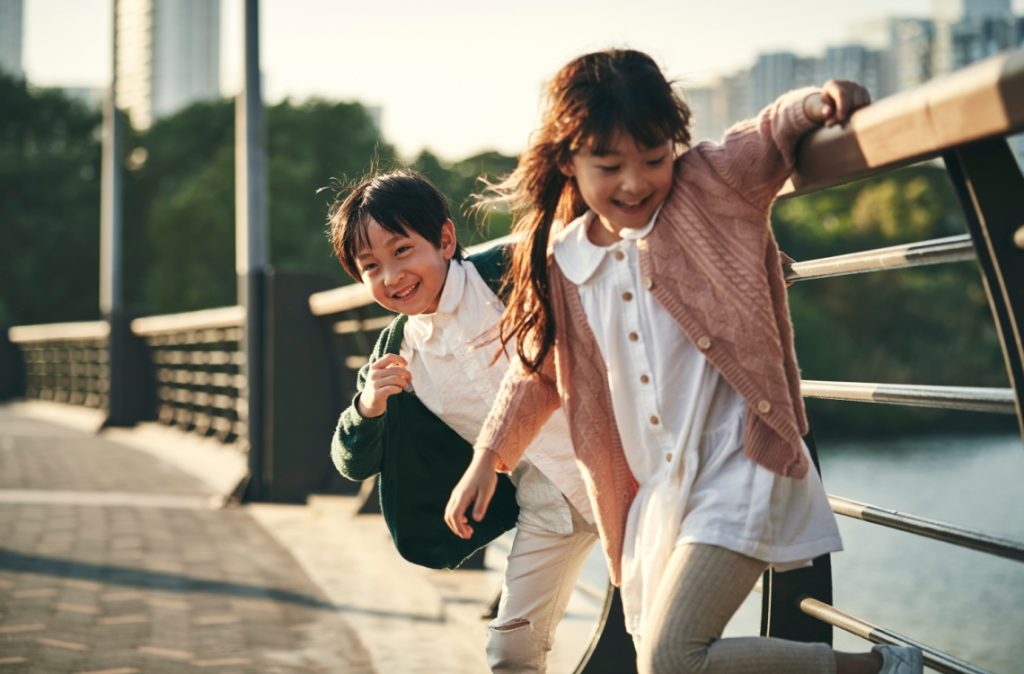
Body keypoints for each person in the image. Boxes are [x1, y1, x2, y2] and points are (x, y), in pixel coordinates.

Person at [444, 49, 923, 674]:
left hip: (741, 464)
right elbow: (539, 371)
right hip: (661, 491)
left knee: (670, 659)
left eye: (654, 158)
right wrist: (488, 459)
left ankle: (879, 669)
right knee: (663, 656)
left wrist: (814, 105)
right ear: (567, 161)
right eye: (609, 165)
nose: (636, 182)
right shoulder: (566, 260)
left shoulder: (708, 187)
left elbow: (767, 137)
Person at [328, 169, 598, 674]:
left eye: (402, 250)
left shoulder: (508, 269)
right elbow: (351, 462)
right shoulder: (398, 352)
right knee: (510, 653)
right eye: (370, 266)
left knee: (666, 643)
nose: (391, 276)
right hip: (547, 509)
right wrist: (368, 407)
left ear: (445, 239)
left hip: (625, 474)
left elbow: (613, 258)